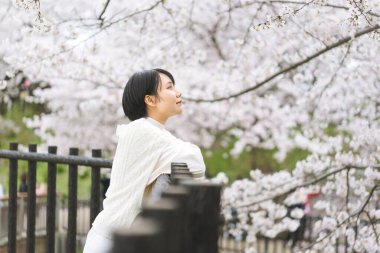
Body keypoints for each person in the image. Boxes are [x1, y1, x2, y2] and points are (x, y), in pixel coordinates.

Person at [83, 69, 206, 253]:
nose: (178, 92)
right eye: (169, 87)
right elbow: (195, 159)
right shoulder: (142, 130)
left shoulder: (153, 132)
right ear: (150, 100)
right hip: (111, 241)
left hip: (119, 238)